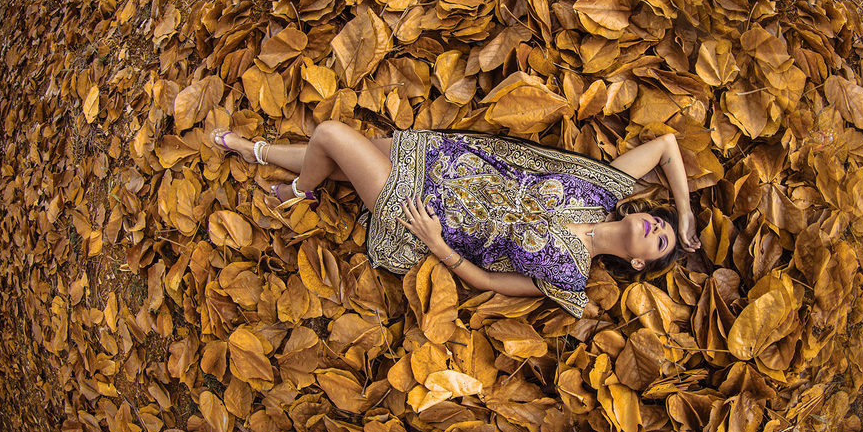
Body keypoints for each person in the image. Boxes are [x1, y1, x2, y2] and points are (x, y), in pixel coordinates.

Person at [211, 123, 701, 317]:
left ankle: (299, 190)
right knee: (338, 162)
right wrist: (683, 215)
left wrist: (436, 243)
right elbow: (666, 146)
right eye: (658, 225)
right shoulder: (604, 189)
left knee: (331, 137)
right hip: (443, 158)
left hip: (425, 214)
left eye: (660, 242)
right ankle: (257, 151)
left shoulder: (570, 276)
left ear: (637, 263)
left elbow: (488, 281)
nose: (656, 230)